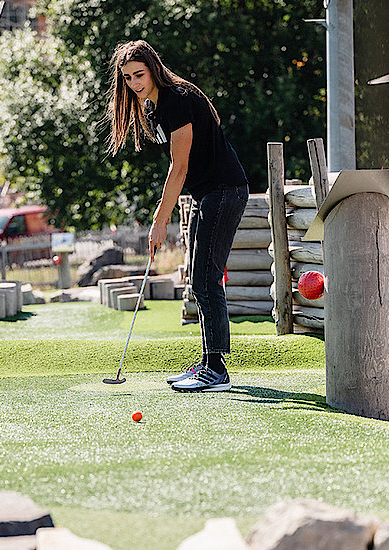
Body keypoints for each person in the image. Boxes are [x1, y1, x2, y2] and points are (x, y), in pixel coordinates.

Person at [107, 40, 249, 392]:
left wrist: (160, 220)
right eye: (127, 78)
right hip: (208, 194)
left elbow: (179, 166)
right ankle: (208, 362)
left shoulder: (177, 99)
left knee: (205, 279)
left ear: (153, 68)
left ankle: (216, 370)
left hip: (224, 191)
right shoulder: (155, 104)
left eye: (139, 75)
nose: (134, 83)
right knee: (199, 280)